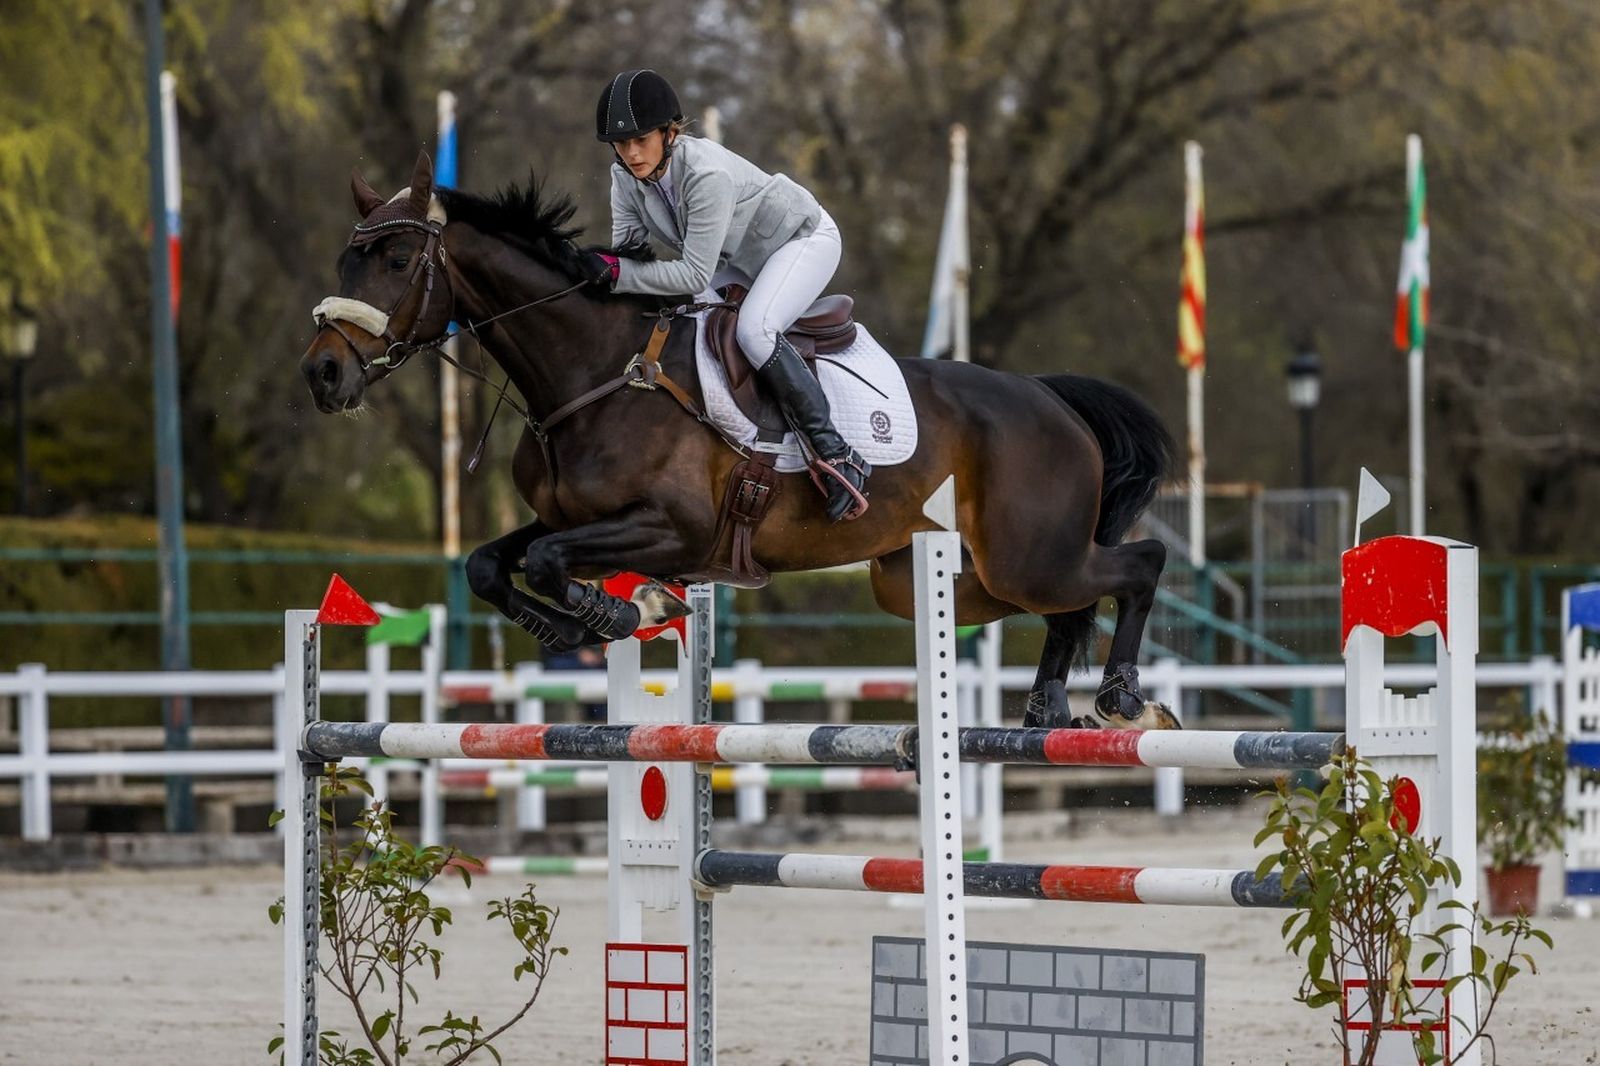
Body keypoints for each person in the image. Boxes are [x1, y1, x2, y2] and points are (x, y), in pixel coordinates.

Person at [586, 68, 871, 522]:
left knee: (756, 331)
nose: (632, 153)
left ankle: (838, 455)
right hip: (736, 255)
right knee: (688, 326)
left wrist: (616, 274)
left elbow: (692, 274)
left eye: (641, 139)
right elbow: (629, 254)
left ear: (669, 132)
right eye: (621, 144)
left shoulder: (706, 174)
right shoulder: (623, 176)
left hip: (801, 240)